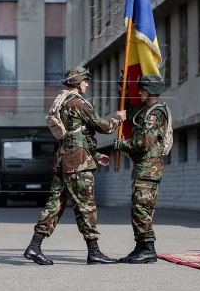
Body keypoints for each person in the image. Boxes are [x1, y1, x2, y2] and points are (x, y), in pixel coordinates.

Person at [24, 66, 126, 265]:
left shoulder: (62, 103)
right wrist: (118, 119)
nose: (87, 84)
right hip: (77, 164)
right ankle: (94, 252)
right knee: (86, 206)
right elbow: (103, 127)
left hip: (64, 160)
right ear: (77, 83)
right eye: (85, 81)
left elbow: (77, 135)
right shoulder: (78, 103)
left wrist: (94, 156)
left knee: (54, 205)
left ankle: (34, 247)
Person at [114, 74, 172, 264]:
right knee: (137, 209)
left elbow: (146, 141)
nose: (139, 92)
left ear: (151, 91)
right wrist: (123, 88)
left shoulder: (157, 113)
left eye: (142, 89)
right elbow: (128, 111)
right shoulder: (145, 112)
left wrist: (123, 145)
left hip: (149, 169)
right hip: (143, 168)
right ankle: (140, 247)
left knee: (142, 209)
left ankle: (148, 249)